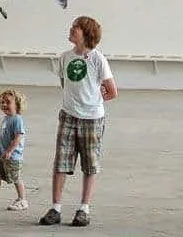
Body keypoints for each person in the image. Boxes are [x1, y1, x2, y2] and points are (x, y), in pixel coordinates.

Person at [39, 16, 118, 227]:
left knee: (90, 164)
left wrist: (93, 101)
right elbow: (64, 84)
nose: (72, 29)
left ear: (87, 34)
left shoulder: (97, 59)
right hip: (68, 115)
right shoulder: (64, 57)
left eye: (76, 27)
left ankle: (84, 208)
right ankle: (55, 207)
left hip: (92, 119)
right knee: (61, 162)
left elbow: (112, 91)